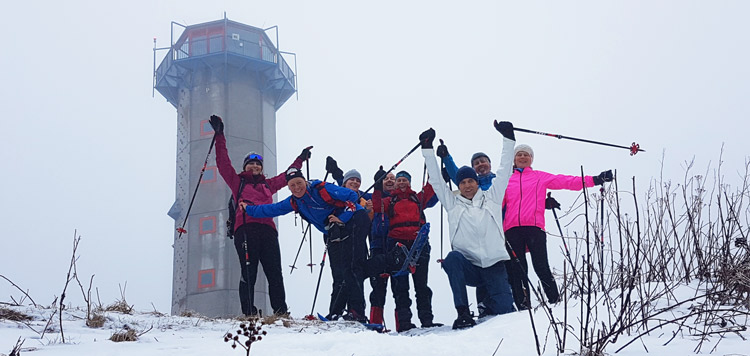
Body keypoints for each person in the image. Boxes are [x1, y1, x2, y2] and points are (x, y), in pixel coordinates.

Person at [208, 115, 310, 316]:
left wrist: (301, 159)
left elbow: (286, 177)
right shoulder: (237, 182)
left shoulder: (267, 185)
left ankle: (280, 312)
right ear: (245, 167)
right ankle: (249, 313)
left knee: (275, 273)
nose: (254, 167)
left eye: (258, 165)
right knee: (249, 272)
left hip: (268, 232)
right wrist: (220, 135)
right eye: (251, 164)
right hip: (245, 230)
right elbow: (223, 163)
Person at [240, 167, 371, 322]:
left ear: (304, 181)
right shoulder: (294, 202)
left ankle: (357, 313)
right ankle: (336, 313)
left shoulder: (320, 188)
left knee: (352, 266)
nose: (297, 188)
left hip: (356, 220)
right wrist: (249, 209)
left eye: (299, 183)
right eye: (292, 186)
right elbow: (272, 209)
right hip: (336, 231)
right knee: (341, 271)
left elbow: (351, 195)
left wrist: (343, 217)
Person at [422, 121, 517, 329]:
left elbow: (503, 172)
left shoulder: (492, 197)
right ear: (459, 185)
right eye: (463, 182)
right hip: (470, 266)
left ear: (476, 182)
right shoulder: (452, 204)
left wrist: (508, 139)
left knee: (504, 313)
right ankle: (463, 312)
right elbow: (437, 181)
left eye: (470, 181)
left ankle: (493, 303)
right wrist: (427, 149)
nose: (466, 185)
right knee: (453, 258)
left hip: (494, 264)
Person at [503, 143, 613, 309]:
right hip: (511, 230)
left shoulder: (539, 176)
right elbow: (496, 204)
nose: (523, 157)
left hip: (534, 228)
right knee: (517, 270)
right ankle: (523, 307)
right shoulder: (506, 181)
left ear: (531, 159)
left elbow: (566, 181)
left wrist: (595, 180)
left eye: (526, 155)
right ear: (514, 159)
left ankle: (555, 302)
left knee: (541, 266)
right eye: (519, 155)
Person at [371, 166, 441, 332]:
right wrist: (377, 186)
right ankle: (404, 323)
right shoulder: (389, 201)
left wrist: (433, 165)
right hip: (396, 243)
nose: (401, 183)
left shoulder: (418, 198)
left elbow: (431, 187)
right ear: (395, 185)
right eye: (399, 180)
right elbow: (376, 206)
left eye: (404, 180)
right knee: (401, 285)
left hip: (419, 243)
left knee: (421, 284)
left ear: (409, 183)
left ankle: (427, 320)